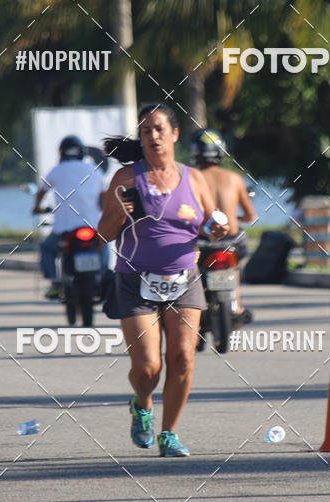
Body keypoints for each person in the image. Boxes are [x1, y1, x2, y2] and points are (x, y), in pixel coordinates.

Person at [97, 103, 229, 457]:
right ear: (140, 140)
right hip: (135, 281)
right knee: (147, 367)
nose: (152, 136)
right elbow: (103, 234)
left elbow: (211, 226)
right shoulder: (126, 179)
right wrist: (120, 214)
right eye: (145, 131)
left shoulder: (194, 178)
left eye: (158, 129)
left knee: (183, 358)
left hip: (185, 278)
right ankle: (142, 404)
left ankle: (169, 433)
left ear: (174, 134)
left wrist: (219, 229)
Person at [190, 127, 257, 319]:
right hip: (231, 242)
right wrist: (235, 218)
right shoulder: (234, 178)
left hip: (202, 241)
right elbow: (250, 215)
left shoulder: (191, 178)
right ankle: (236, 306)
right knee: (234, 267)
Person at [33, 135, 106, 298]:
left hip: (63, 230)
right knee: (103, 245)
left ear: (61, 152)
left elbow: (41, 192)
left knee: (46, 248)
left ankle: (54, 283)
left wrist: (37, 208)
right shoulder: (94, 169)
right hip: (92, 227)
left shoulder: (56, 170)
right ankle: (101, 277)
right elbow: (105, 195)